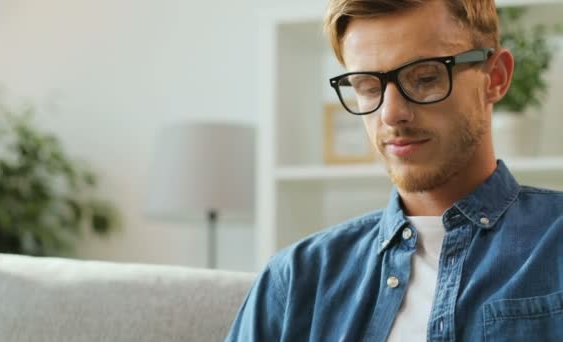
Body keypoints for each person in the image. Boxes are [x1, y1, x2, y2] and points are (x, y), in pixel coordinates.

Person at [227, 0, 563, 340]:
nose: (390, 113)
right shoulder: (296, 280)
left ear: (495, 77)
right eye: (367, 87)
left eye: (425, 78)